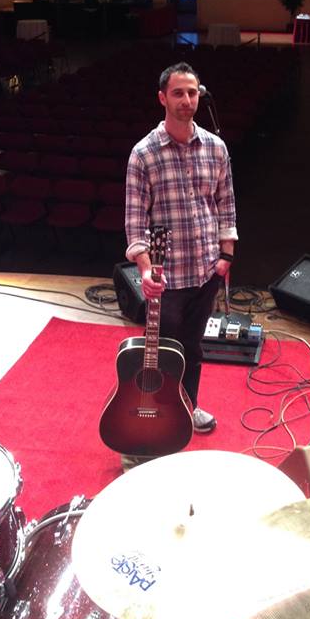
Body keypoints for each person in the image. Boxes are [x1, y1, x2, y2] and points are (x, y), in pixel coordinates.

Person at [125, 62, 237, 434]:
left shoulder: (216, 148)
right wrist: (145, 269)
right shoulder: (143, 153)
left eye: (192, 92)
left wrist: (226, 256)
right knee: (165, 351)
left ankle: (189, 406)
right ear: (162, 98)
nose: (186, 100)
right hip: (166, 277)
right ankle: (158, 412)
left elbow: (226, 204)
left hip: (206, 269)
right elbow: (135, 220)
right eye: (178, 93)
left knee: (193, 347)